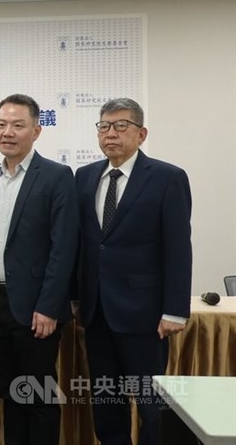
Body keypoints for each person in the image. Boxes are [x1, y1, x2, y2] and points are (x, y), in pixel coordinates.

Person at [76, 98, 192, 445]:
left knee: (151, 403)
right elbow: (81, 244)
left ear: (141, 134)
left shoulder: (167, 178)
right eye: (104, 126)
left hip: (144, 315)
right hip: (96, 312)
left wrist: (175, 310)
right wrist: (74, 296)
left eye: (120, 126)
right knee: (106, 401)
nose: (111, 134)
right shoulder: (84, 177)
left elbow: (178, 247)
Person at [0, 94, 78, 445]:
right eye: (1, 124)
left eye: (18, 125)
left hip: (36, 310)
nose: (7, 132)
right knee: (9, 394)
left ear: (36, 130)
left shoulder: (56, 176)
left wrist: (49, 307)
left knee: (39, 397)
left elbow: (63, 249)